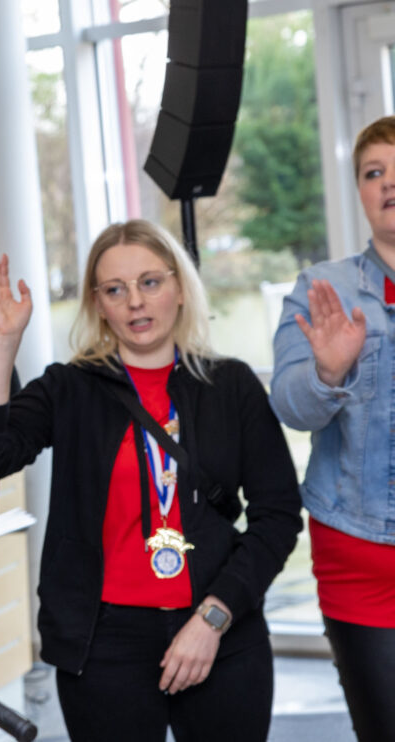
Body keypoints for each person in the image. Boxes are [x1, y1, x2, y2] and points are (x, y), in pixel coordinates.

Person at [0, 220, 302, 741]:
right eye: (115, 290)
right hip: (104, 644)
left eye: (150, 282)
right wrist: (4, 339)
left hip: (220, 629)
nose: (135, 303)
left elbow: (277, 516)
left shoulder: (231, 386)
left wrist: (214, 618)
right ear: (98, 304)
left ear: (179, 288)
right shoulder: (69, 389)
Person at [270, 116, 395, 742]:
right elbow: (290, 405)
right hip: (359, 549)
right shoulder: (325, 289)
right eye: (375, 173)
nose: (389, 184)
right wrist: (327, 368)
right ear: (361, 193)